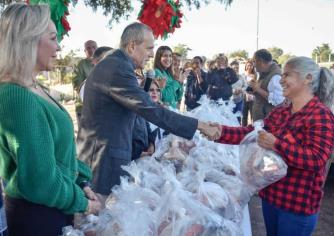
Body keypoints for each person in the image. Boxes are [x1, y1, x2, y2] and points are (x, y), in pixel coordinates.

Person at [77, 22, 218, 198]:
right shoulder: (118, 68)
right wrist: (200, 125)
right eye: (149, 48)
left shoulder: (117, 64)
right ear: (132, 46)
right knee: (100, 217)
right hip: (102, 161)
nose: (152, 54)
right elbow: (150, 109)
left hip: (107, 156)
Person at [210, 56, 334, 236]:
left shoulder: (321, 116)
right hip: (272, 197)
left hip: (296, 206)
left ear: (308, 78)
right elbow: (251, 132)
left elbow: (316, 159)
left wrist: (277, 144)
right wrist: (219, 131)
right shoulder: (282, 111)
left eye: (287, 75)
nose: (281, 80)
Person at [0, 4, 101, 236]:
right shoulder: (17, 96)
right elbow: (41, 180)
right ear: (28, 39)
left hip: (52, 205)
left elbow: (58, 157)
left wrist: (81, 182)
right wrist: (84, 203)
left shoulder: (33, 86)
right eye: (53, 38)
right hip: (37, 216)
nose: (58, 46)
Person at [249, 49, 284, 121]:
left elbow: (279, 100)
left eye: (254, 62)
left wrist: (258, 89)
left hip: (268, 122)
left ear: (260, 61)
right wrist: (254, 89)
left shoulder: (275, 76)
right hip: (262, 120)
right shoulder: (265, 72)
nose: (254, 65)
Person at [72, 39, 97, 125]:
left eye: (94, 47)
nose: (91, 50)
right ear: (85, 51)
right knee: (85, 137)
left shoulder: (103, 64)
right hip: (83, 109)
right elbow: (77, 86)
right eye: (88, 48)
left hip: (100, 109)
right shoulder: (80, 64)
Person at [242, 60, 257, 126]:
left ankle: (252, 127)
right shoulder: (243, 74)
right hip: (244, 95)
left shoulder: (255, 75)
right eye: (248, 65)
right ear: (245, 66)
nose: (249, 67)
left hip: (252, 95)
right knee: (244, 113)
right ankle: (243, 127)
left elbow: (256, 85)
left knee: (252, 113)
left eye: (251, 65)